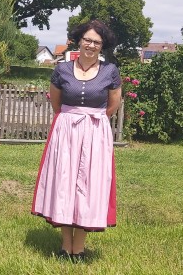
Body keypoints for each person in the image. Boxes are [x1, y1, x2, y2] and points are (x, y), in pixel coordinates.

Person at [31, 20, 121, 262]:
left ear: (102, 46)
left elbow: (112, 105)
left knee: (87, 186)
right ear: (79, 41)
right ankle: (65, 246)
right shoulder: (62, 70)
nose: (91, 45)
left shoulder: (110, 71)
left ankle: (78, 249)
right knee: (65, 183)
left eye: (97, 42)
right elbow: (56, 102)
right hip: (66, 132)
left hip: (94, 133)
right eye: (87, 40)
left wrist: (92, 122)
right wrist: (72, 121)